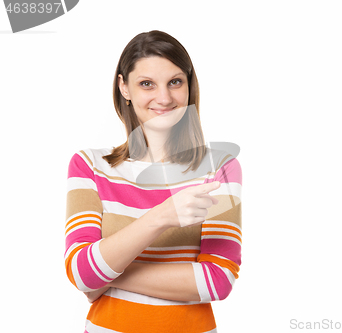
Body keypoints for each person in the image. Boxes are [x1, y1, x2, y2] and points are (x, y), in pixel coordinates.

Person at [64, 30, 242, 333]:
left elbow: (217, 281)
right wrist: (162, 216)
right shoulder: (90, 165)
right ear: (124, 87)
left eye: (175, 82)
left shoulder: (220, 167)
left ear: (189, 86)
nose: (164, 98)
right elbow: (81, 271)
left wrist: (106, 273)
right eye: (147, 84)